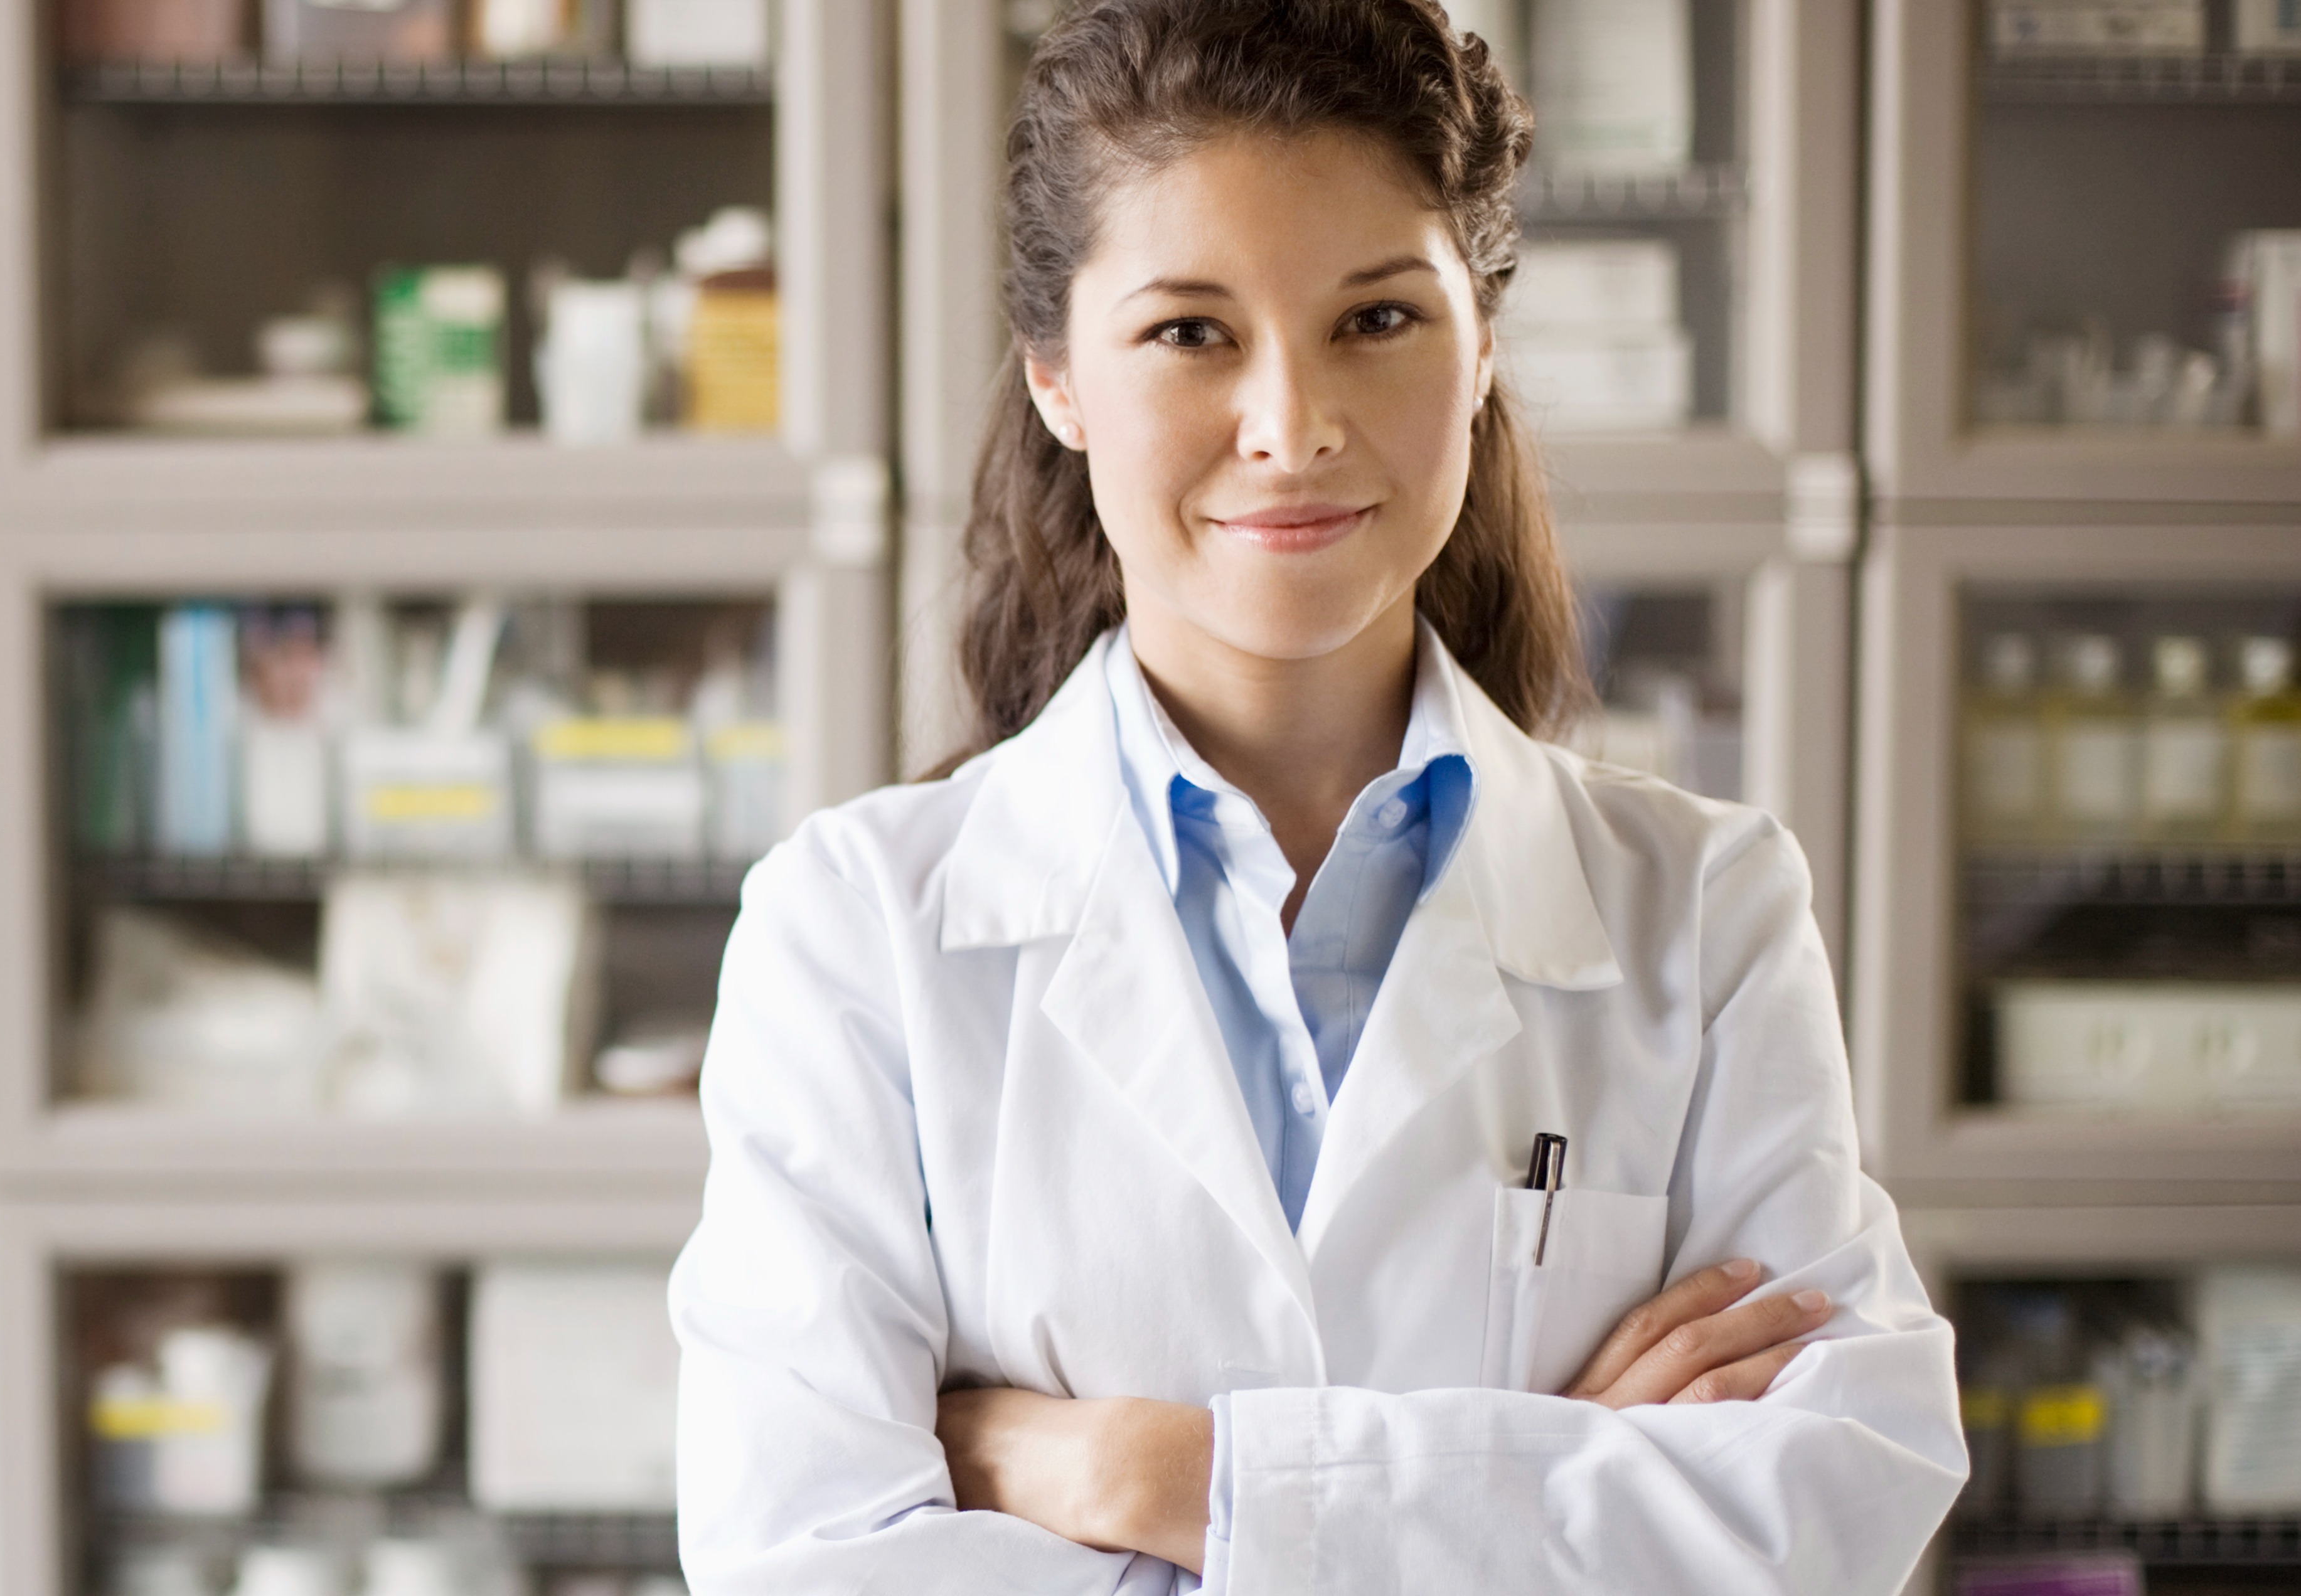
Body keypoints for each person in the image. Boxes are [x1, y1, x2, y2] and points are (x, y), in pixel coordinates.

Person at [664, 1, 1967, 1589]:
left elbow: (1834, 1500)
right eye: (1190, 331)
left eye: (1376, 320)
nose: (1293, 428)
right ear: (1060, 379)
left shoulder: (1708, 907)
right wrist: (1540, 1487)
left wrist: (1155, 1478)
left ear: (1481, 346)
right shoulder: (853, 930)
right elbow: (805, 1563)